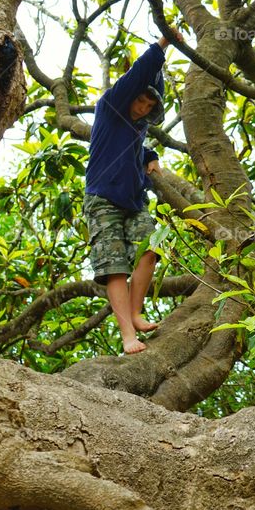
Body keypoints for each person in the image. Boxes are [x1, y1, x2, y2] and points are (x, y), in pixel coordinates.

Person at [83, 31, 173, 354]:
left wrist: (150, 156)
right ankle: (127, 336)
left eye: (149, 105)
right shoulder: (111, 106)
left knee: (152, 247)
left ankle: (135, 313)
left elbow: (135, 147)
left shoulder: (139, 127)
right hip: (103, 197)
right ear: (129, 96)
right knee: (115, 266)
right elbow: (138, 73)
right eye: (140, 99)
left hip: (134, 200)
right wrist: (163, 45)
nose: (142, 107)